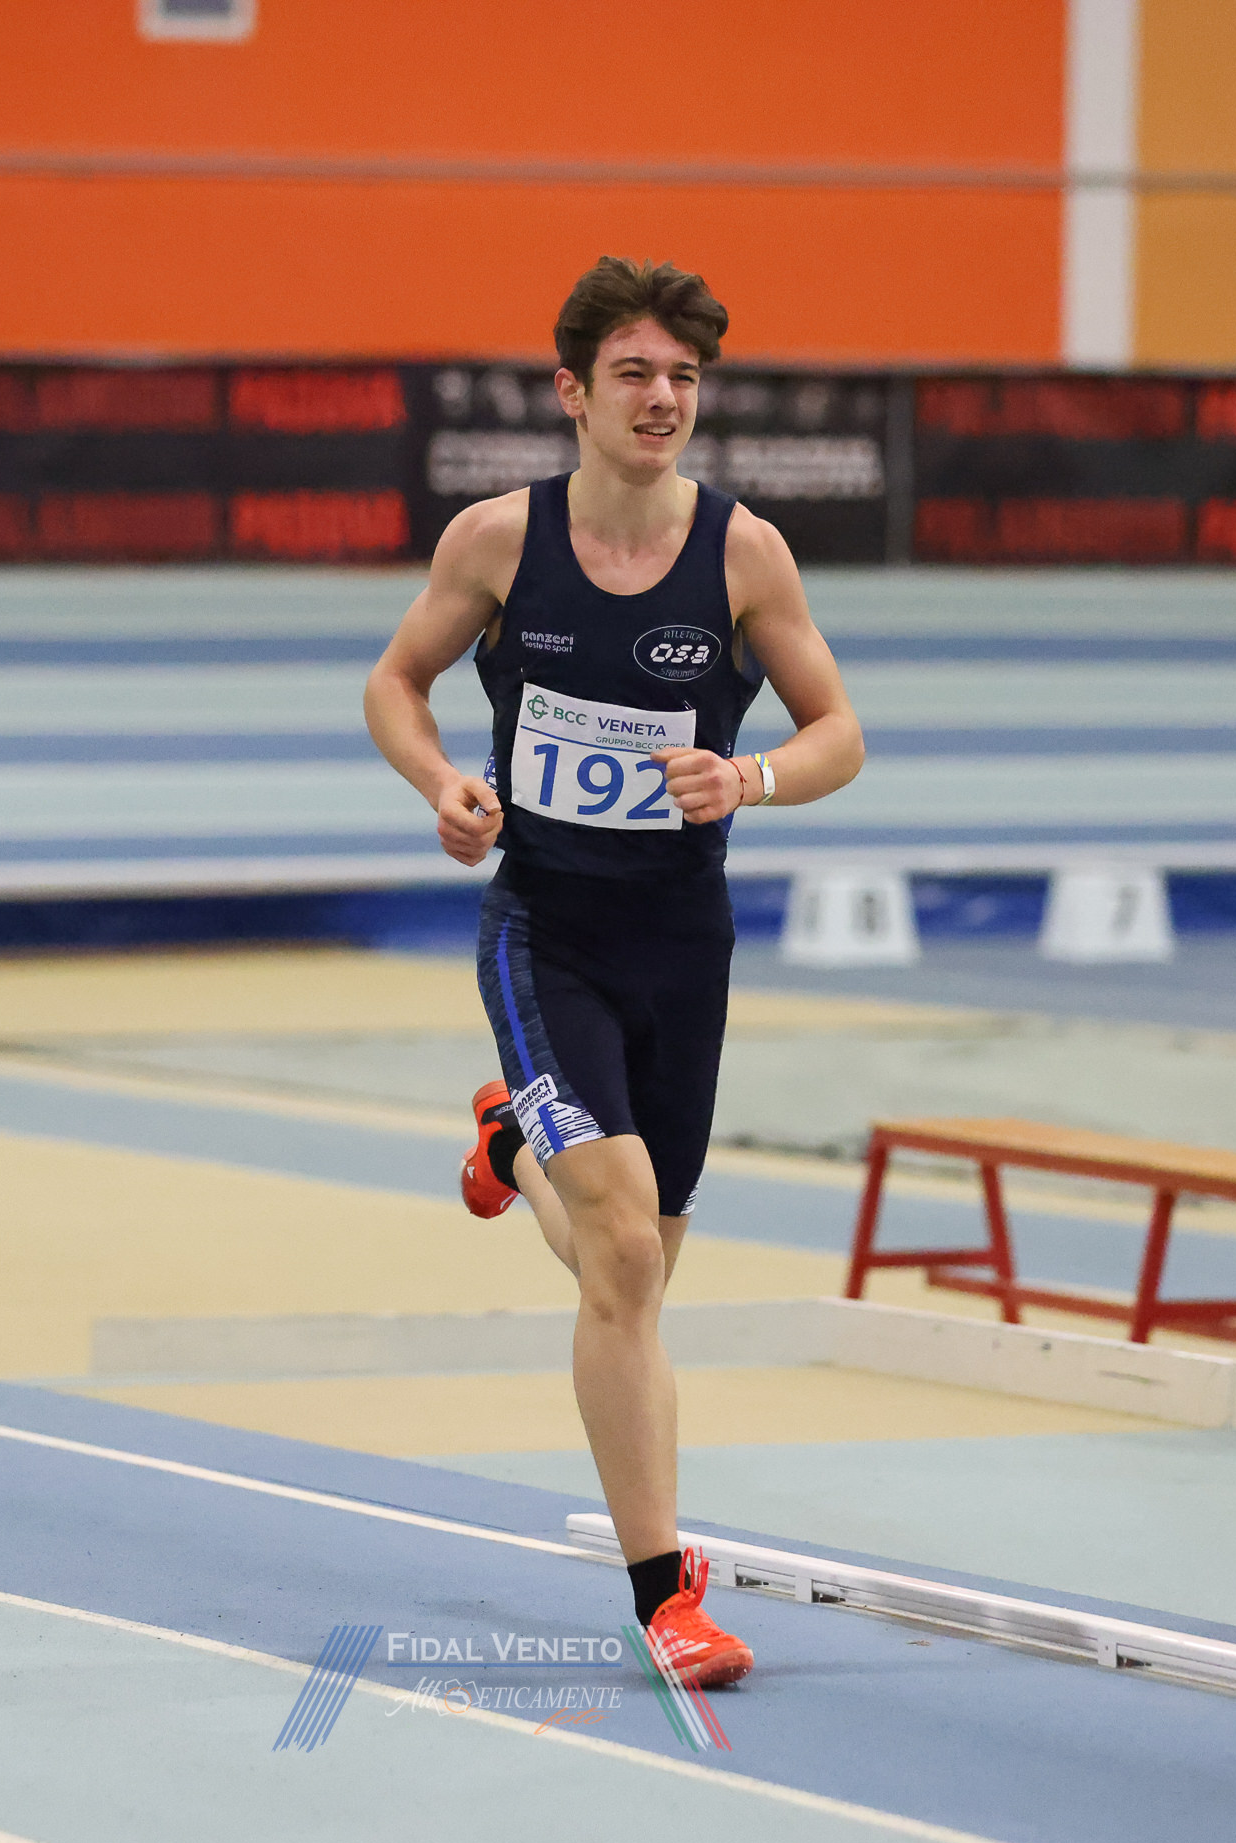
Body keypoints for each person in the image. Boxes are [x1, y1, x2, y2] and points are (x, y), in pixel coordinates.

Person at [361, 257, 865, 1685]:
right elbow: (394, 682)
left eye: (684, 377)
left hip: (682, 945)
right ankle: (665, 1596)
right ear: (573, 393)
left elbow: (840, 732)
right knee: (628, 1253)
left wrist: (752, 776)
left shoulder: (746, 555)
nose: (663, 398)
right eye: (635, 373)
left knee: (625, 1269)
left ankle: (512, 1139)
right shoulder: (497, 543)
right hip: (546, 933)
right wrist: (442, 783)